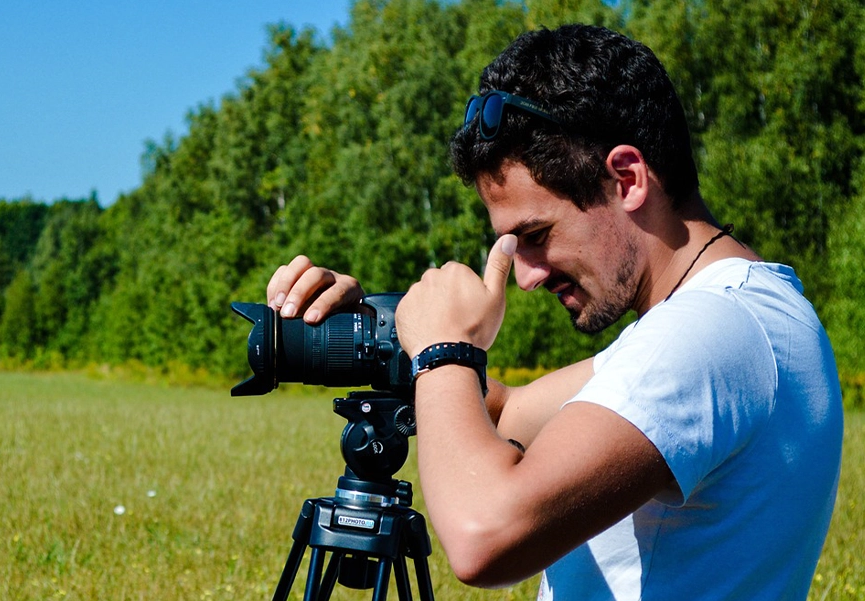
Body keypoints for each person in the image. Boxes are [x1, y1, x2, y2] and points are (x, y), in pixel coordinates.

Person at [265, 24, 842, 600]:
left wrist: (446, 351)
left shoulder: (709, 335)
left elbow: (483, 535)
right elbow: (510, 414)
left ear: (627, 178)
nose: (527, 275)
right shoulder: (742, 315)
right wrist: (385, 330)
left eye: (536, 234)